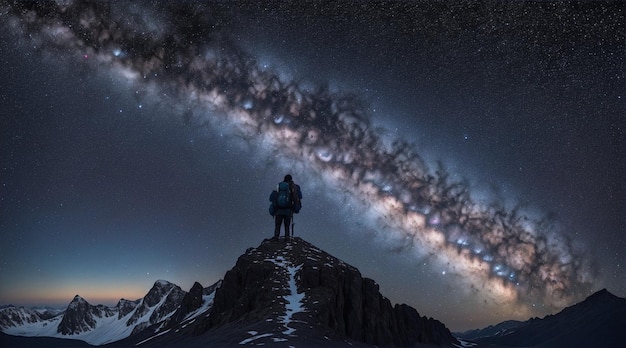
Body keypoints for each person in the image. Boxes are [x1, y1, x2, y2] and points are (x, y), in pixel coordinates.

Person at [270, 174, 302, 241]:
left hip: (279, 209)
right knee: (287, 224)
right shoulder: (294, 187)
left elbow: (272, 197)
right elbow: (300, 197)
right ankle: (287, 236)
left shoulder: (280, 186)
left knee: (278, 224)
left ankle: (276, 236)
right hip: (288, 209)